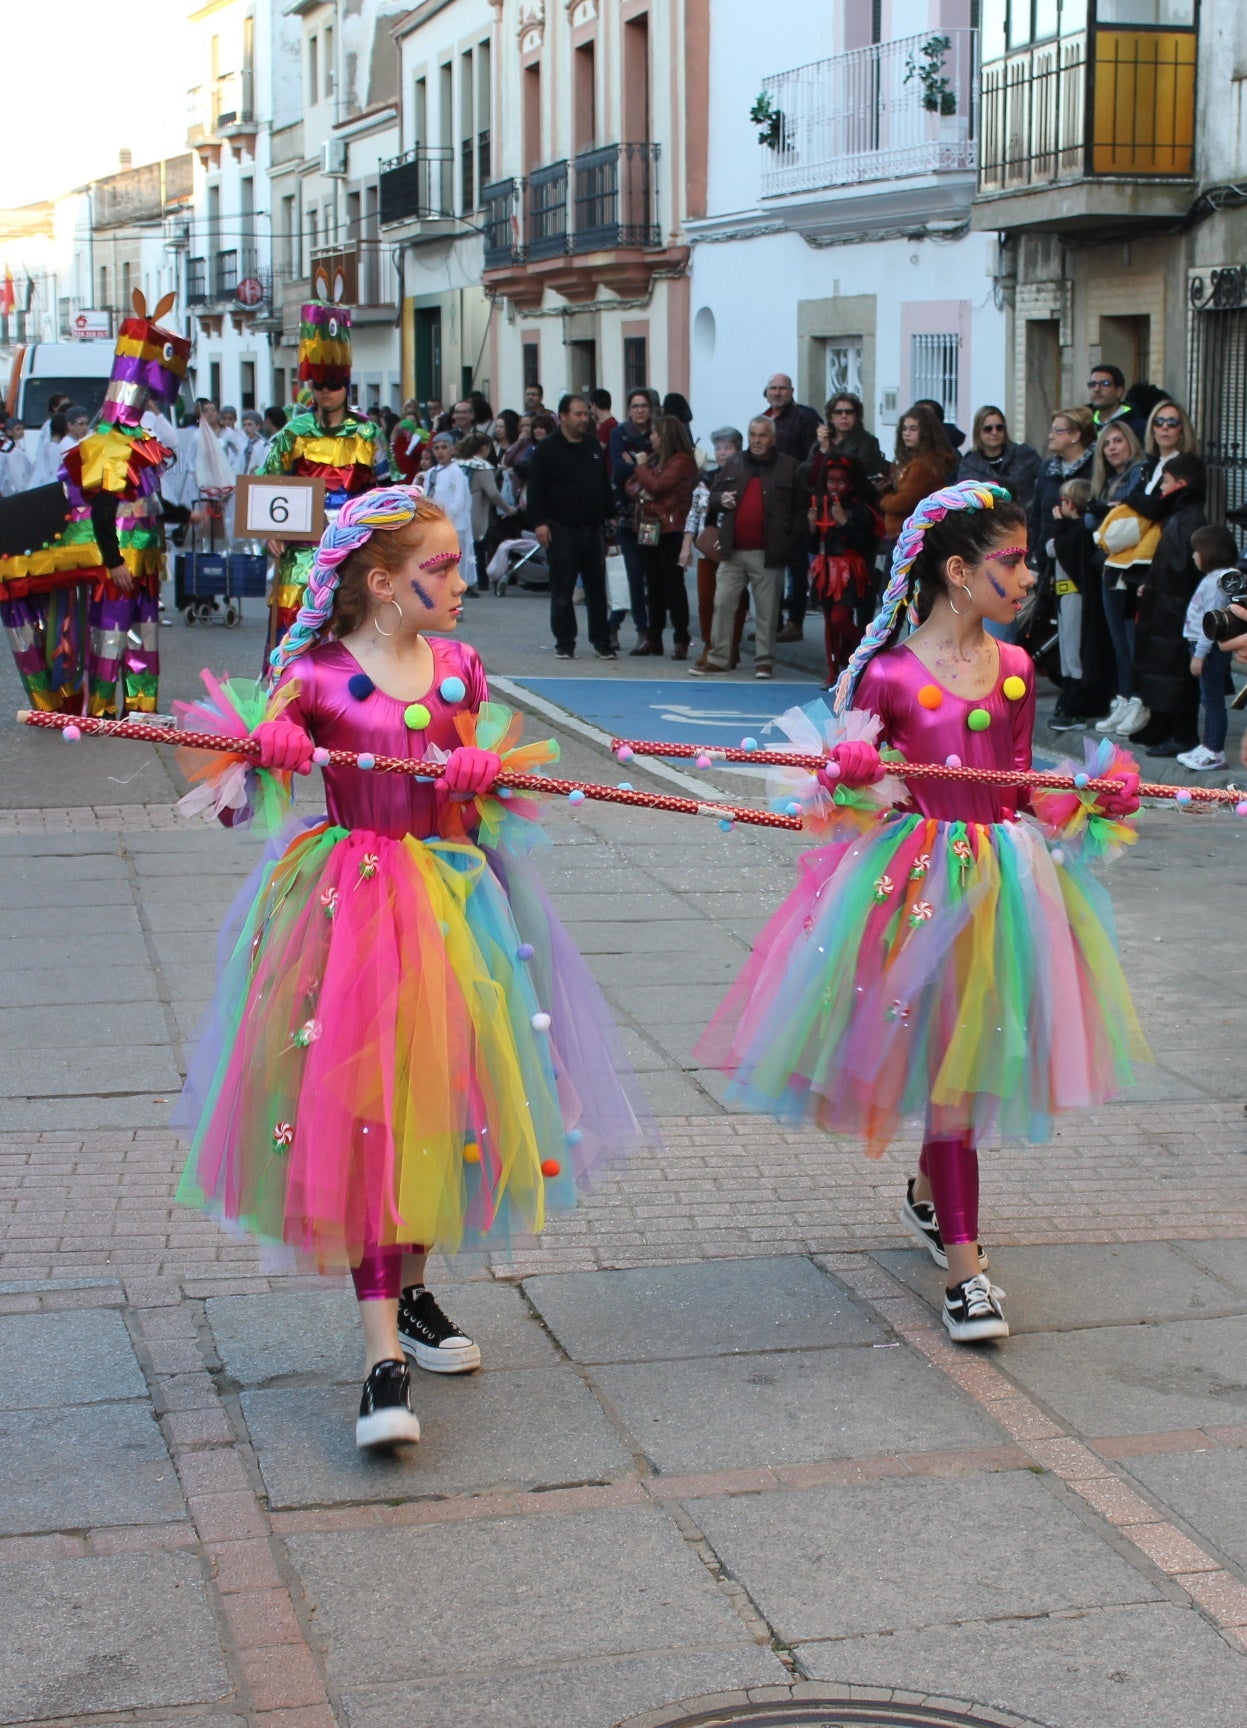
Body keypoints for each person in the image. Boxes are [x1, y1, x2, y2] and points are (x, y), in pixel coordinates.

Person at [177, 488, 648, 1448]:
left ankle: (414, 1292)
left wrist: (482, 779)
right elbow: (228, 805)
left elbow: (479, 805)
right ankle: (380, 1355)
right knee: (364, 1114)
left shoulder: (461, 669)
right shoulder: (312, 675)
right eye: (442, 567)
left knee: (437, 1097)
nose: (463, 581)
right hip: (347, 914)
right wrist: (267, 752)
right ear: (384, 584)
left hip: (456, 909)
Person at [695, 480, 1145, 1342]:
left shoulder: (1015, 669)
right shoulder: (891, 674)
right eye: (1011, 564)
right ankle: (966, 1271)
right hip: (913, 885)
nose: (1025, 581)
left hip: (1002, 887)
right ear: (956, 571)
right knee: (944, 1065)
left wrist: (1088, 802)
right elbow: (845, 799)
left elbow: (1016, 787)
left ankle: (934, 1202)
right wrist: (853, 778)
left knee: (963, 1071)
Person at [0, 288, 191, 714]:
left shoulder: (143, 441)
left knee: (144, 633)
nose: (149, 400)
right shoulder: (106, 443)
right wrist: (114, 561)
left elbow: (149, 499)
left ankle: (141, 709)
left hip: (145, 555)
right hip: (118, 559)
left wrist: (186, 514)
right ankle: (102, 710)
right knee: (111, 633)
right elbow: (104, 509)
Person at [259, 299, 391, 659]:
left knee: (347, 635)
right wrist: (271, 531)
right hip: (300, 551)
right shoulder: (292, 433)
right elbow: (266, 485)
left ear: (346, 386)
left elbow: (386, 491)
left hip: (352, 551)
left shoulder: (368, 433)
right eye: (319, 384)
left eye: (333, 384)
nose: (326, 391)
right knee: (291, 634)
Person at [691, 415, 803, 680]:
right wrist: (722, 499)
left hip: (769, 552)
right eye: (753, 434)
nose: (756, 440)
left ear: (772, 438)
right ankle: (719, 657)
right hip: (733, 550)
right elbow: (714, 497)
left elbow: (799, 509)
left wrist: (790, 542)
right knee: (722, 603)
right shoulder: (734, 462)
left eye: (762, 435)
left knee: (766, 611)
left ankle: (763, 661)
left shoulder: (788, 467)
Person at [526, 393, 615, 660]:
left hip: (592, 528)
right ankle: (565, 642)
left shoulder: (592, 446)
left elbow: (603, 483)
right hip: (561, 529)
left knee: (596, 589)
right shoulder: (548, 449)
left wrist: (609, 515)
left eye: (586, 414)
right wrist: (540, 522)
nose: (583, 419)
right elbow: (536, 489)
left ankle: (602, 641)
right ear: (563, 416)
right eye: (577, 414)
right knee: (563, 589)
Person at [1131, 452, 1208, 758]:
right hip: (1165, 605)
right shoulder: (1178, 515)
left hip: (1175, 610)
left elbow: (1178, 570)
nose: (1161, 487)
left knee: (1176, 674)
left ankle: (1181, 733)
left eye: (1165, 481)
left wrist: (1156, 591)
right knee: (1160, 670)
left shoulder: (1187, 518)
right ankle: (1161, 724)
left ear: (1181, 484)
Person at [1088, 421, 1151, 738]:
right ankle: (1125, 696)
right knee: (1117, 641)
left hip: (1132, 570)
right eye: (1106, 443)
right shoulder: (1107, 480)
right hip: (1109, 568)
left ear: (1131, 442)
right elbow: (1091, 519)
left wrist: (1106, 512)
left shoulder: (1141, 474)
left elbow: (1131, 519)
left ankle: (1138, 699)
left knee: (1131, 640)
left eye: (1118, 441)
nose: (1112, 447)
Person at [805, 453, 882, 686]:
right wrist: (811, 526)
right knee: (830, 620)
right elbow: (811, 544)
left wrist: (844, 523)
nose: (834, 487)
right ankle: (833, 670)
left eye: (840, 482)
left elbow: (865, 542)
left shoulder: (860, 509)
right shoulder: (820, 505)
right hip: (825, 567)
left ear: (850, 483)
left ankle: (866, 649)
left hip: (849, 569)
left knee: (840, 618)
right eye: (830, 481)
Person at [626, 414, 698, 659]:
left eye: (655, 433)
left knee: (672, 583)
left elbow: (656, 486)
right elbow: (632, 485)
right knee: (653, 583)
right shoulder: (656, 460)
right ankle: (654, 637)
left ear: (665, 435)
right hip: (649, 525)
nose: (651, 437)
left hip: (670, 527)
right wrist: (646, 485)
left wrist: (643, 468)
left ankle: (681, 637)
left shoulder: (681, 461)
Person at [1047, 477, 1114, 730]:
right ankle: (1068, 697)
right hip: (1065, 598)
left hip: (1075, 597)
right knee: (1066, 652)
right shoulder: (1072, 530)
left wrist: (1059, 524)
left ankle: (1077, 705)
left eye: (1062, 501)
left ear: (1071, 504)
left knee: (1074, 652)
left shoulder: (1078, 533)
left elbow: (1054, 548)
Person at [1178, 523, 1243, 772]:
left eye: (1197, 550)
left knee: (1212, 700)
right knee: (1209, 698)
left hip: (1208, 649)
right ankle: (1208, 746)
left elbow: (1211, 621)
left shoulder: (1217, 581)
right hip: (1204, 647)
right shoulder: (1214, 578)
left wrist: (1199, 654)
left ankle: (1214, 750)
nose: (1194, 555)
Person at [685, 427, 749, 673]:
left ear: (737, 450)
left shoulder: (745, 478)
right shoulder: (707, 478)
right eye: (718, 448)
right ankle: (709, 645)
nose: (722, 453)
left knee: (735, 601)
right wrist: (686, 544)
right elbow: (695, 512)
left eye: (727, 447)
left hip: (735, 548)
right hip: (707, 547)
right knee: (706, 599)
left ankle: (731, 646)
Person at [764, 374, 821, 637]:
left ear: (791, 391)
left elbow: (815, 460)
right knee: (771, 565)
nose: (777, 393)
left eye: (782, 388)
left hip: (797, 501)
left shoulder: (804, 418)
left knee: (796, 566)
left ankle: (795, 623)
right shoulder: (765, 419)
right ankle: (772, 623)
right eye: (773, 388)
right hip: (770, 502)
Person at [609, 388, 657, 645]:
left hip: (651, 516)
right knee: (632, 572)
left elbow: (660, 471)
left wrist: (637, 464)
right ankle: (635, 627)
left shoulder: (656, 435)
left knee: (648, 572)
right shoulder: (620, 433)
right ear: (628, 409)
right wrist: (642, 465)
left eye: (644, 406)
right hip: (627, 515)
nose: (639, 410)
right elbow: (619, 471)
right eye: (635, 406)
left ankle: (638, 626)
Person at [879, 404, 957, 541]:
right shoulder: (913, 461)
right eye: (904, 429)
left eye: (913, 429)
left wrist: (884, 498)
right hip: (908, 532)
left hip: (911, 534)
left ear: (926, 432)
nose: (906, 433)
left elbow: (902, 502)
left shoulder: (924, 465)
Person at [458, 429, 516, 591]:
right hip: (476, 512)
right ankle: (480, 581)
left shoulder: (457, 463)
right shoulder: (482, 466)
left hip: (457, 513)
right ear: (483, 447)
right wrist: (507, 508)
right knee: (478, 548)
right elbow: (492, 493)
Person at [957, 407, 1041, 507]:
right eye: (988, 429)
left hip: (1022, 518)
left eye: (999, 428)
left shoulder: (1024, 454)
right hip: (984, 520)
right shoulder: (969, 464)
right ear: (978, 432)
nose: (994, 432)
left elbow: (1045, 479)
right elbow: (962, 497)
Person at [422, 430, 475, 582]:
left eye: (444, 447)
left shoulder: (456, 473)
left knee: (453, 565)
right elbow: (426, 497)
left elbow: (459, 501)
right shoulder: (431, 472)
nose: (440, 452)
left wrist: (445, 520)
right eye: (437, 448)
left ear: (452, 449)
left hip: (454, 525)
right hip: (434, 525)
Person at [815, 393, 889, 494]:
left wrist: (828, 452)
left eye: (849, 412)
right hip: (823, 497)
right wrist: (823, 449)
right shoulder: (822, 441)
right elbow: (810, 473)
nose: (844, 416)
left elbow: (862, 473)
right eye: (838, 412)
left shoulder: (867, 441)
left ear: (856, 417)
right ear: (831, 418)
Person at [1087, 363, 1147, 441]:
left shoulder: (1137, 426)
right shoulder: (1084, 424)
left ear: (1119, 391)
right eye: (1093, 384)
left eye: (1105, 384)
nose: (1097, 389)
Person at [391, 399, 428, 482]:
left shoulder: (421, 440)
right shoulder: (398, 441)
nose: (410, 425)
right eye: (407, 422)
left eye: (413, 422)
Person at [0, 418, 32, 496]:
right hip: (15, 492)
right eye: (17, 429)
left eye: (22, 428)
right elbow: (18, 476)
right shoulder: (12, 451)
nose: (21, 431)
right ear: (9, 432)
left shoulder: (14, 446)